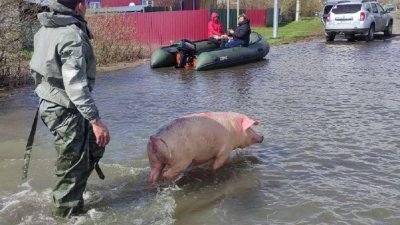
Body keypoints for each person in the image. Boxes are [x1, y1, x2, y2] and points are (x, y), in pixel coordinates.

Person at [29, 0, 110, 217]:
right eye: (84, 2)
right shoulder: (71, 35)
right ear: (78, 7)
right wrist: (95, 120)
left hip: (51, 103)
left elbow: (36, 69)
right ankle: (66, 213)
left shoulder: (46, 28)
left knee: (95, 146)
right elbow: (75, 85)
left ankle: (72, 192)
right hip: (65, 108)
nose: (87, 6)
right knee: (72, 167)